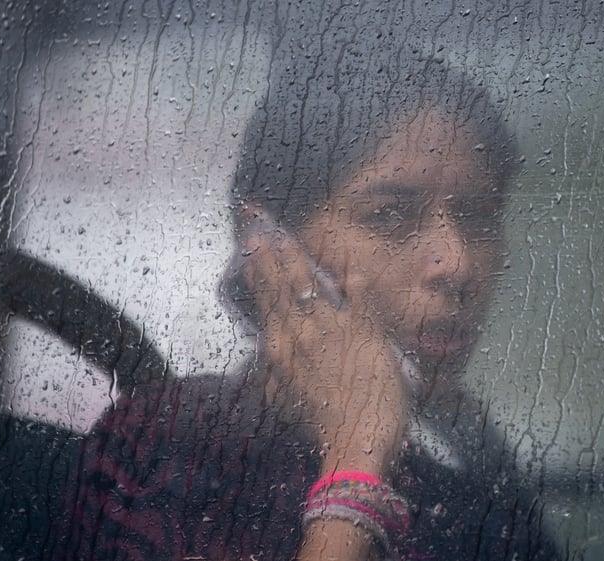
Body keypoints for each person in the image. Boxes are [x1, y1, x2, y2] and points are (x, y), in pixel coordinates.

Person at [57, 60, 557, 561]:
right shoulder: (153, 453)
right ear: (268, 242)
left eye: (477, 216)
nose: (459, 263)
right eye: (387, 216)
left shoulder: (488, 519)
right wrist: (355, 460)